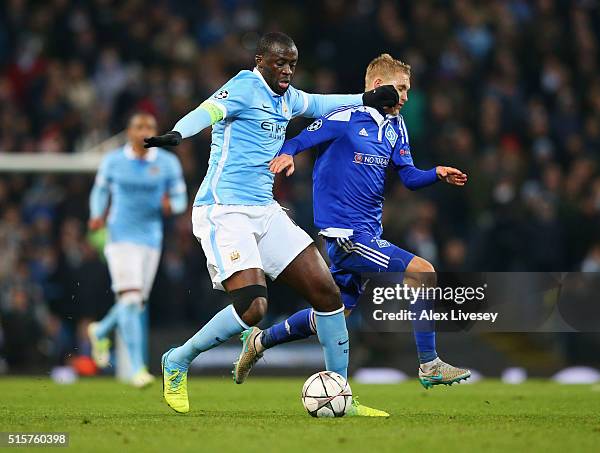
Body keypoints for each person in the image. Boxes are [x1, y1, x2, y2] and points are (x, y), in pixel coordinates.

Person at [144, 32, 398, 415]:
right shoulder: (245, 86)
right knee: (253, 307)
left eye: (292, 64)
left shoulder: (288, 97)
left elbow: (317, 103)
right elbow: (208, 111)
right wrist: (180, 132)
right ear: (260, 60)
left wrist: (365, 99)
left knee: (327, 294)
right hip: (224, 209)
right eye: (280, 63)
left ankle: (342, 393)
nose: (287, 70)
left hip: (264, 210)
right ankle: (178, 359)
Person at [234, 54, 471, 391]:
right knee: (423, 271)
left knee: (333, 313)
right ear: (378, 86)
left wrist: (436, 173)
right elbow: (301, 138)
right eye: (401, 89)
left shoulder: (396, 127)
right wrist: (287, 154)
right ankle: (429, 363)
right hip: (346, 234)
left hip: (370, 231)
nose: (405, 96)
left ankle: (258, 342)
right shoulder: (345, 117)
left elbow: (409, 177)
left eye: (408, 90)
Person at [87, 112, 187, 387]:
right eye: (139, 126)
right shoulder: (114, 161)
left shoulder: (167, 163)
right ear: (129, 132)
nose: (145, 130)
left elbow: (180, 199)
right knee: (131, 300)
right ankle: (136, 369)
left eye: (150, 127)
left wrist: (172, 206)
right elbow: (100, 192)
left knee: (135, 302)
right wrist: (97, 214)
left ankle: (101, 330)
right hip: (119, 236)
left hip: (151, 240)